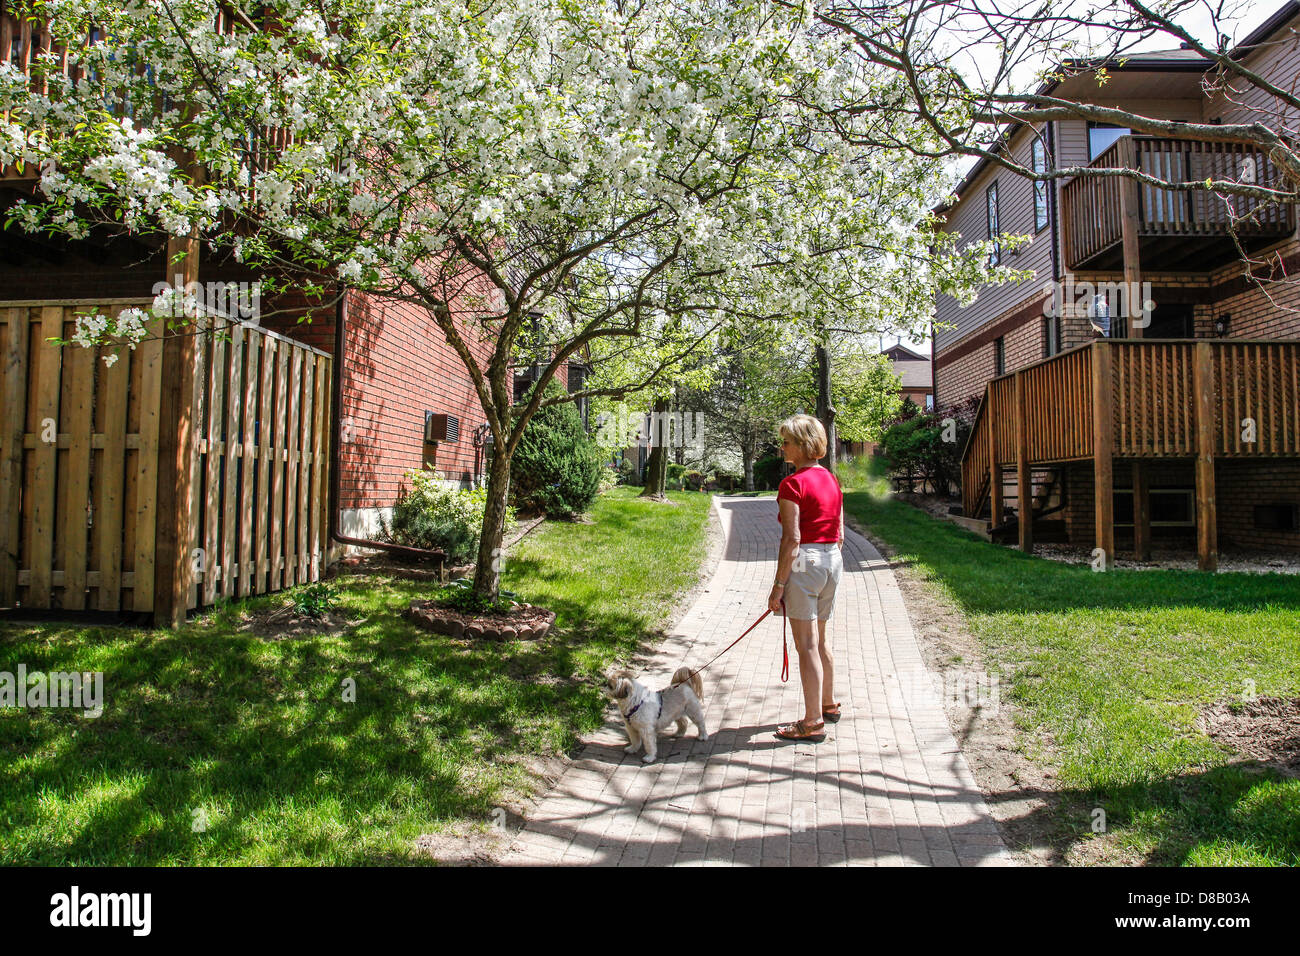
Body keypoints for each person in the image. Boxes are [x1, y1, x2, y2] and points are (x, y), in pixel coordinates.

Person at [769, 414, 844, 742]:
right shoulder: (831, 479)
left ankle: (812, 722)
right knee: (821, 641)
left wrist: (779, 585)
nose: (782, 446)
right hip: (833, 560)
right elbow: (840, 531)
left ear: (801, 446)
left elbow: (792, 539)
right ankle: (828, 704)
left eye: (786, 441)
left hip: (804, 562)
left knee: (807, 646)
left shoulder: (792, 484)